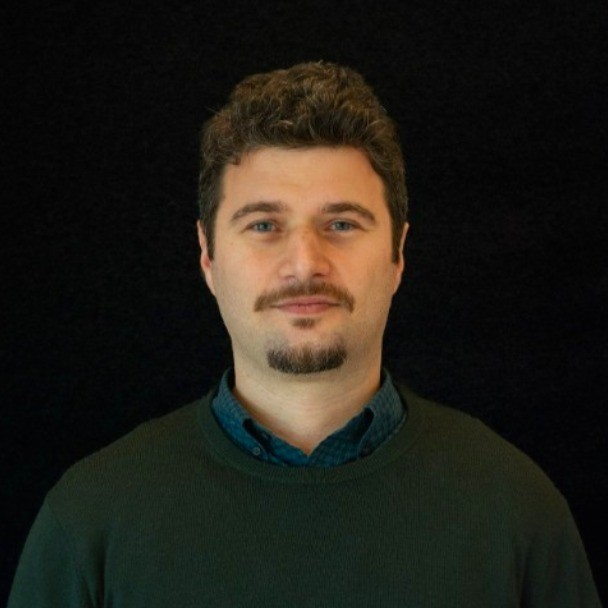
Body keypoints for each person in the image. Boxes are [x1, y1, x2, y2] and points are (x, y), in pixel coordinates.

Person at [8, 61, 600, 607]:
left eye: (341, 223)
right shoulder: (89, 519)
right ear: (208, 256)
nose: (304, 263)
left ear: (397, 254)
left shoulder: (516, 509)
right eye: (264, 225)